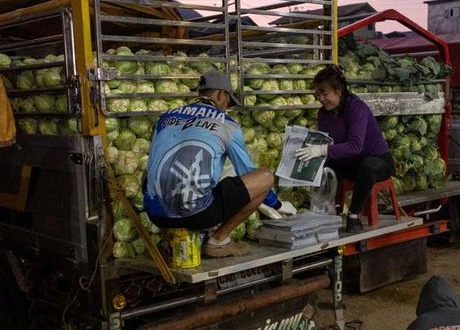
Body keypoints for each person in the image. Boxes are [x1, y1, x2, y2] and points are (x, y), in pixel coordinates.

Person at [144, 71, 294, 258]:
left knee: (154, 173)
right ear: (221, 95)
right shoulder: (226, 124)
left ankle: (169, 238)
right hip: (196, 214)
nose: (226, 108)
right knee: (264, 178)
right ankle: (218, 241)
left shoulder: (165, 118)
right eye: (228, 102)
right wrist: (277, 204)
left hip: (155, 214)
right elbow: (247, 172)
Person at [295, 65, 393, 232]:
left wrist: (321, 150)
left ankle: (354, 214)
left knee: (367, 166)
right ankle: (323, 210)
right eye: (317, 95)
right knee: (325, 168)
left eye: (324, 94)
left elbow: (355, 146)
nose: (321, 99)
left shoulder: (357, 109)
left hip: (378, 161)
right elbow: (327, 141)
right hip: (350, 163)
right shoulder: (323, 114)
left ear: (338, 91)